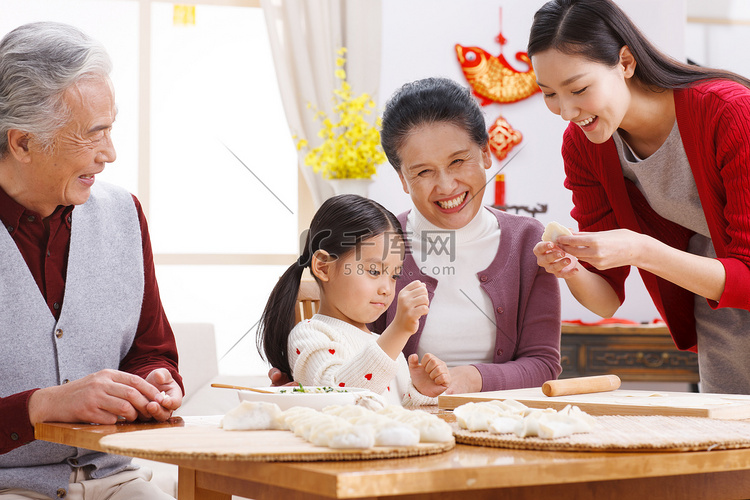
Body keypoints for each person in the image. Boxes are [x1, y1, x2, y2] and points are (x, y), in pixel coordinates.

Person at [270, 79, 562, 394]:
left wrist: (466, 380)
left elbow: (543, 364)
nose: (447, 186)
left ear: (486, 153)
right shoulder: (380, 245)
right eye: (423, 172)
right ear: (403, 179)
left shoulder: (528, 242)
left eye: (458, 161)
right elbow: (352, 368)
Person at [528, 0, 750, 394]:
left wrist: (640, 250)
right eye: (549, 94)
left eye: (578, 89)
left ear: (625, 62)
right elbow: (606, 299)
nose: (566, 111)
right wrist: (572, 267)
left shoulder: (730, 112)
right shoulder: (584, 147)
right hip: (724, 328)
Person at [0, 22, 183, 498]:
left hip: (115, 481)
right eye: (93, 134)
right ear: (21, 142)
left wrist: (154, 381)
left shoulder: (124, 214)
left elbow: (151, 348)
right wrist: (39, 406)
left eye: (111, 128)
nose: (111, 153)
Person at [258, 194, 450, 406]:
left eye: (394, 275)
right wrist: (398, 330)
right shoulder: (311, 334)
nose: (387, 289)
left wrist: (421, 392)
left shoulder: (384, 344)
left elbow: (396, 409)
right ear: (323, 267)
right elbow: (342, 398)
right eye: (374, 271)